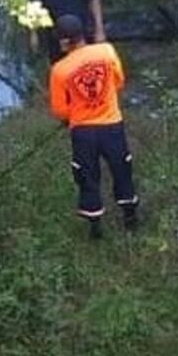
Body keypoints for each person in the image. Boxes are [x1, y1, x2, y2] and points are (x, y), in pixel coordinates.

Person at [48, 14, 137, 238]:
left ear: (66, 41)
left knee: (87, 175)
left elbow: (59, 110)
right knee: (121, 168)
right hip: (112, 125)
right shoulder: (107, 51)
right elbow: (119, 81)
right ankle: (130, 217)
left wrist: (76, 112)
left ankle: (95, 226)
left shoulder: (60, 70)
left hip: (83, 131)